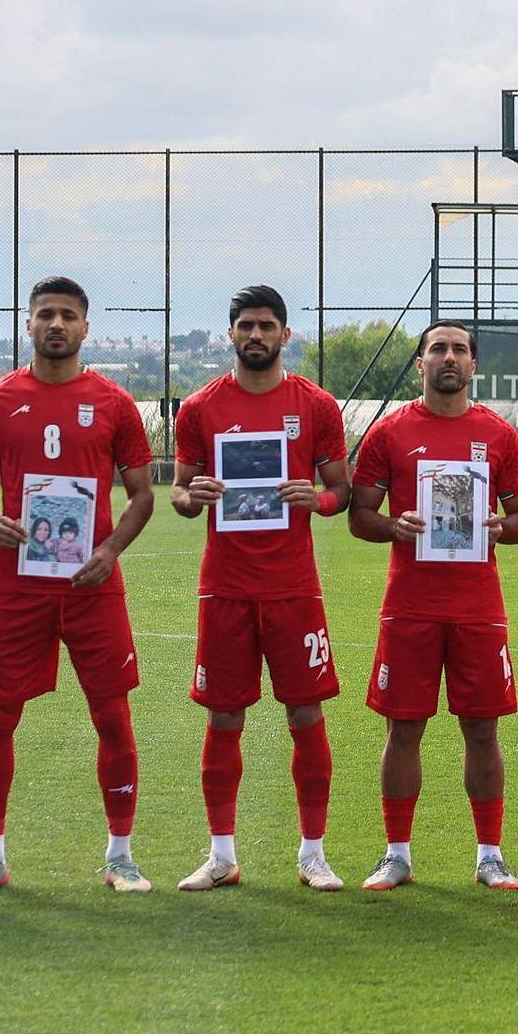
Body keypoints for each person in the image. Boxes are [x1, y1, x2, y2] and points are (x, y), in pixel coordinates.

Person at [0, 276, 156, 894]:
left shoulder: (115, 403)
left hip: (93, 585)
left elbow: (142, 495)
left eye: (68, 315)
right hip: (19, 585)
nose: (57, 324)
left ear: (86, 327)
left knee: (112, 715)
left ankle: (121, 856)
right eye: (46, 314)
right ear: (29, 324)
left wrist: (110, 550)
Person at [171, 285, 353, 893]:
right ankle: (221, 854)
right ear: (230, 333)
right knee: (224, 715)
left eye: (266, 326)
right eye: (246, 325)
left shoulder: (316, 406)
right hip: (224, 587)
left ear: (285, 335)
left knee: (306, 711)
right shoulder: (199, 408)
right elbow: (180, 493)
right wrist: (192, 496)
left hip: (292, 589)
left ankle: (313, 852)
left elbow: (341, 491)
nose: (256, 335)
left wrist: (316, 499)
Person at [350, 321, 518, 891]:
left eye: (459, 350)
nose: (448, 357)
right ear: (420, 364)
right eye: (438, 349)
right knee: (403, 728)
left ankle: (490, 855)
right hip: (410, 605)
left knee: (482, 730)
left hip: (478, 607)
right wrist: (394, 526)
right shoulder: (389, 433)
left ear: (473, 365)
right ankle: (397, 854)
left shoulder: (498, 435)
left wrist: (501, 527)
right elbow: (360, 516)